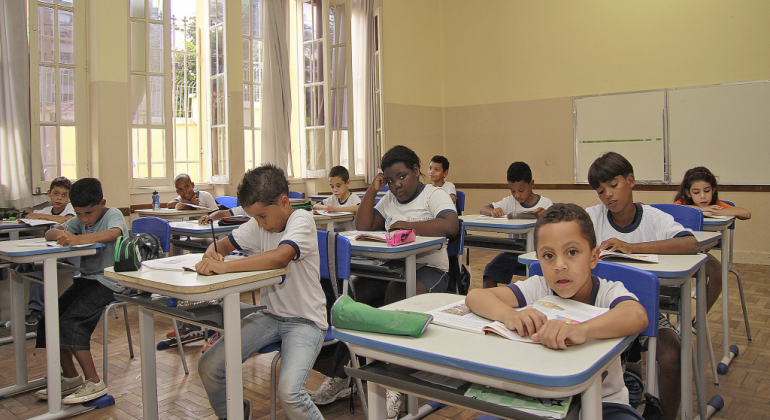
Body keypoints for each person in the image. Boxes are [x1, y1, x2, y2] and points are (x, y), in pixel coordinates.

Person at [466, 203, 648, 420]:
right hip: (540, 401)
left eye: (572, 252)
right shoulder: (539, 287)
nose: (560, 265)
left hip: (604, 404)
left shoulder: (608, 292)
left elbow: (637, 315)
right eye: (548, 256)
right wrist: (511, 315)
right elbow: (475, 296)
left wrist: (583, 330)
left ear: (593, 257)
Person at [196, 164, 326, 420]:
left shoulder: (302, 220)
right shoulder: (259, 225)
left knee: (290, 392)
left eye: (263, 216)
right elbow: (221, 244)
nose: (260, 224)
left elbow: (280, 257)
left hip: (306, 321)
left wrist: (225, 268)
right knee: (209, 366)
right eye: (255, 217)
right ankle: (235, 414)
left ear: (284, 201)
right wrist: (212, 252)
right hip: (270, 317)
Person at [587, 151, 699, 420]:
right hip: (600, 310)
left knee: (672, 354)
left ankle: (664, 414)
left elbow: (690, 243)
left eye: (613, 186)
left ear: (631, 180)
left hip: (646, 309)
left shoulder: (654, 218)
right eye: (601, 191)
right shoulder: (592, 217)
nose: (608, 196)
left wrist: (631, 248)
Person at [353, 145, 459, 419]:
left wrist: (407, 226)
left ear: (416, 171)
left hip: (431, 270)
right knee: (356, 293)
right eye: (390, 180)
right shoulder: (388, 199)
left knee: (396, 296)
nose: (397, 185)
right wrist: (373, 190)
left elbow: (450, 225)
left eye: (402, 176)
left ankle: (395, 384)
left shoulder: (433, 194)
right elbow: (363, 226)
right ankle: (354, 374)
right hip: (393, 268)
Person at [36, 178, 128, 404]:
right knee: (49, 319)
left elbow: (113, 234)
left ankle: (94, 382)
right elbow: (51, 234)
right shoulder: (79, 221)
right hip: (88, 280)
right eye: (80, 214)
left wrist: (78, 239)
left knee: (72, 322)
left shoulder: (111, 214)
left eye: (89, 213)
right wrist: (62, 234)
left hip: (111, 281)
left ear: (102, 203)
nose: (85, 219)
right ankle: (70, 378)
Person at [674, 166, 751, 312]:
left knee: (718, 273)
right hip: (678, 255)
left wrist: (717, 211)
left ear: (713, 190)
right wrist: (698, 211)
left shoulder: (715, 205)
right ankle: (679, 322)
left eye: (707, 191)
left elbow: (745, 213)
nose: (703, 196)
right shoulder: (682, 204)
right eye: (696, 192)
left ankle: (699, 319)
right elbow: (668, 211)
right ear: (688, 193)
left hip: (700, 256)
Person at [480, 161, 553, 289]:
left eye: (521, 190)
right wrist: (492, 211)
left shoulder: (545, 203)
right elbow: (483, 209)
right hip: (513, 253)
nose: (517, 195)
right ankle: (491, 302)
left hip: (539, 253)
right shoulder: (509, 201)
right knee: (489, 272)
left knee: (539, 279)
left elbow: (555, 225)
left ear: (531, 184)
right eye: (513, 191)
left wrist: (545, 217)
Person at [18, 176, 76, 326]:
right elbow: (27, 216)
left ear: (68, 197)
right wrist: (32, 215)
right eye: (56, 193)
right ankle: (37, 310)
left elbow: (65, 220)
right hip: (51, 249)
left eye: (64, 195)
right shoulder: (46, 209)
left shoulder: (71, 209)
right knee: (31, 263)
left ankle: (37, 310)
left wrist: (39, 216)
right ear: (49, 193)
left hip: (68, 252)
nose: (59, 198)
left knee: (41, 263)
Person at [312, 165, 361, 231]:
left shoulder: (353, 198)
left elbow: (359, 208)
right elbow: (315, 206)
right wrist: (328, 208)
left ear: (348, 183)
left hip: (350, 235)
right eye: (332, 187)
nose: (335, 190)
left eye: (338, 186)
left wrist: (338, 209)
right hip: (336, 234)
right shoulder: (333, 198)